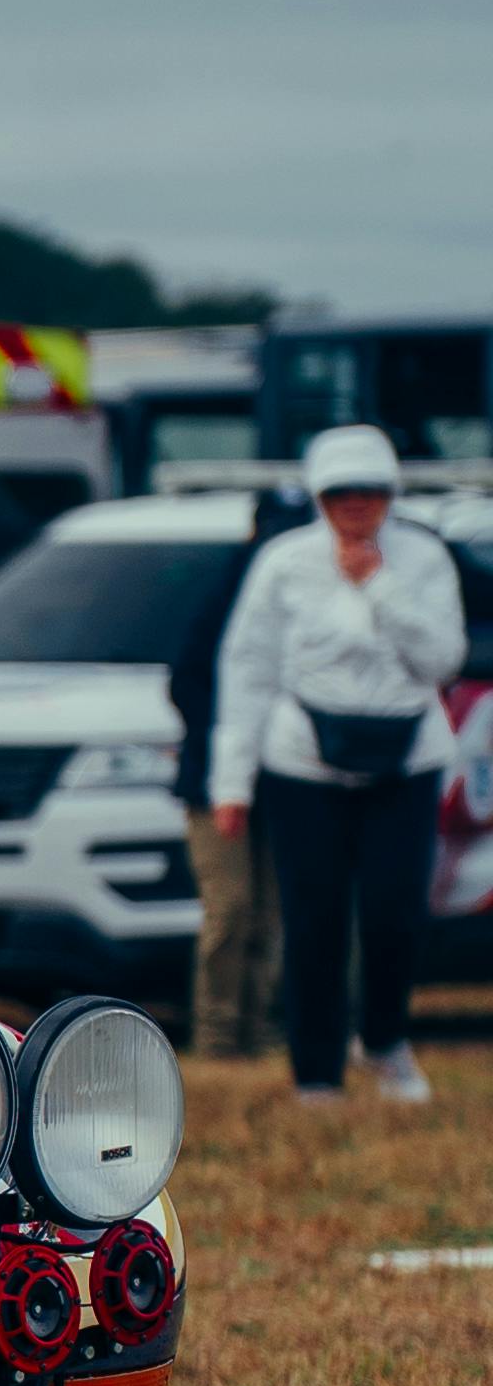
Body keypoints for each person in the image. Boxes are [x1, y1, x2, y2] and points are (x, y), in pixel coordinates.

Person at [210, 425, 463, 1110]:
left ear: (391, 493)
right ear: (319, 497)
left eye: (370, 490)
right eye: (340, 491)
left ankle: (383, 1040)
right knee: (312, 921)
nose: (356, 503)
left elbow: (442, 658)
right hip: (302, 763)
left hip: (405, 760)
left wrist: (378, 584)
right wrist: (231, 782)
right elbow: (248, 669)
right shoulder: (283, 561)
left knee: (394, 914)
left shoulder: (424, 557)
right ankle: (316, 1074)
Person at [170, 512, 285, 1060]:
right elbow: (187, 684)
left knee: (267, 915)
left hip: (280, 781)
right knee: (230, 908)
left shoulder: (297, 595)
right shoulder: (224, 599)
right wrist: (226, 741)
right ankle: (217, 1033)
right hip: (212, 786)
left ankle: (257, 1030)